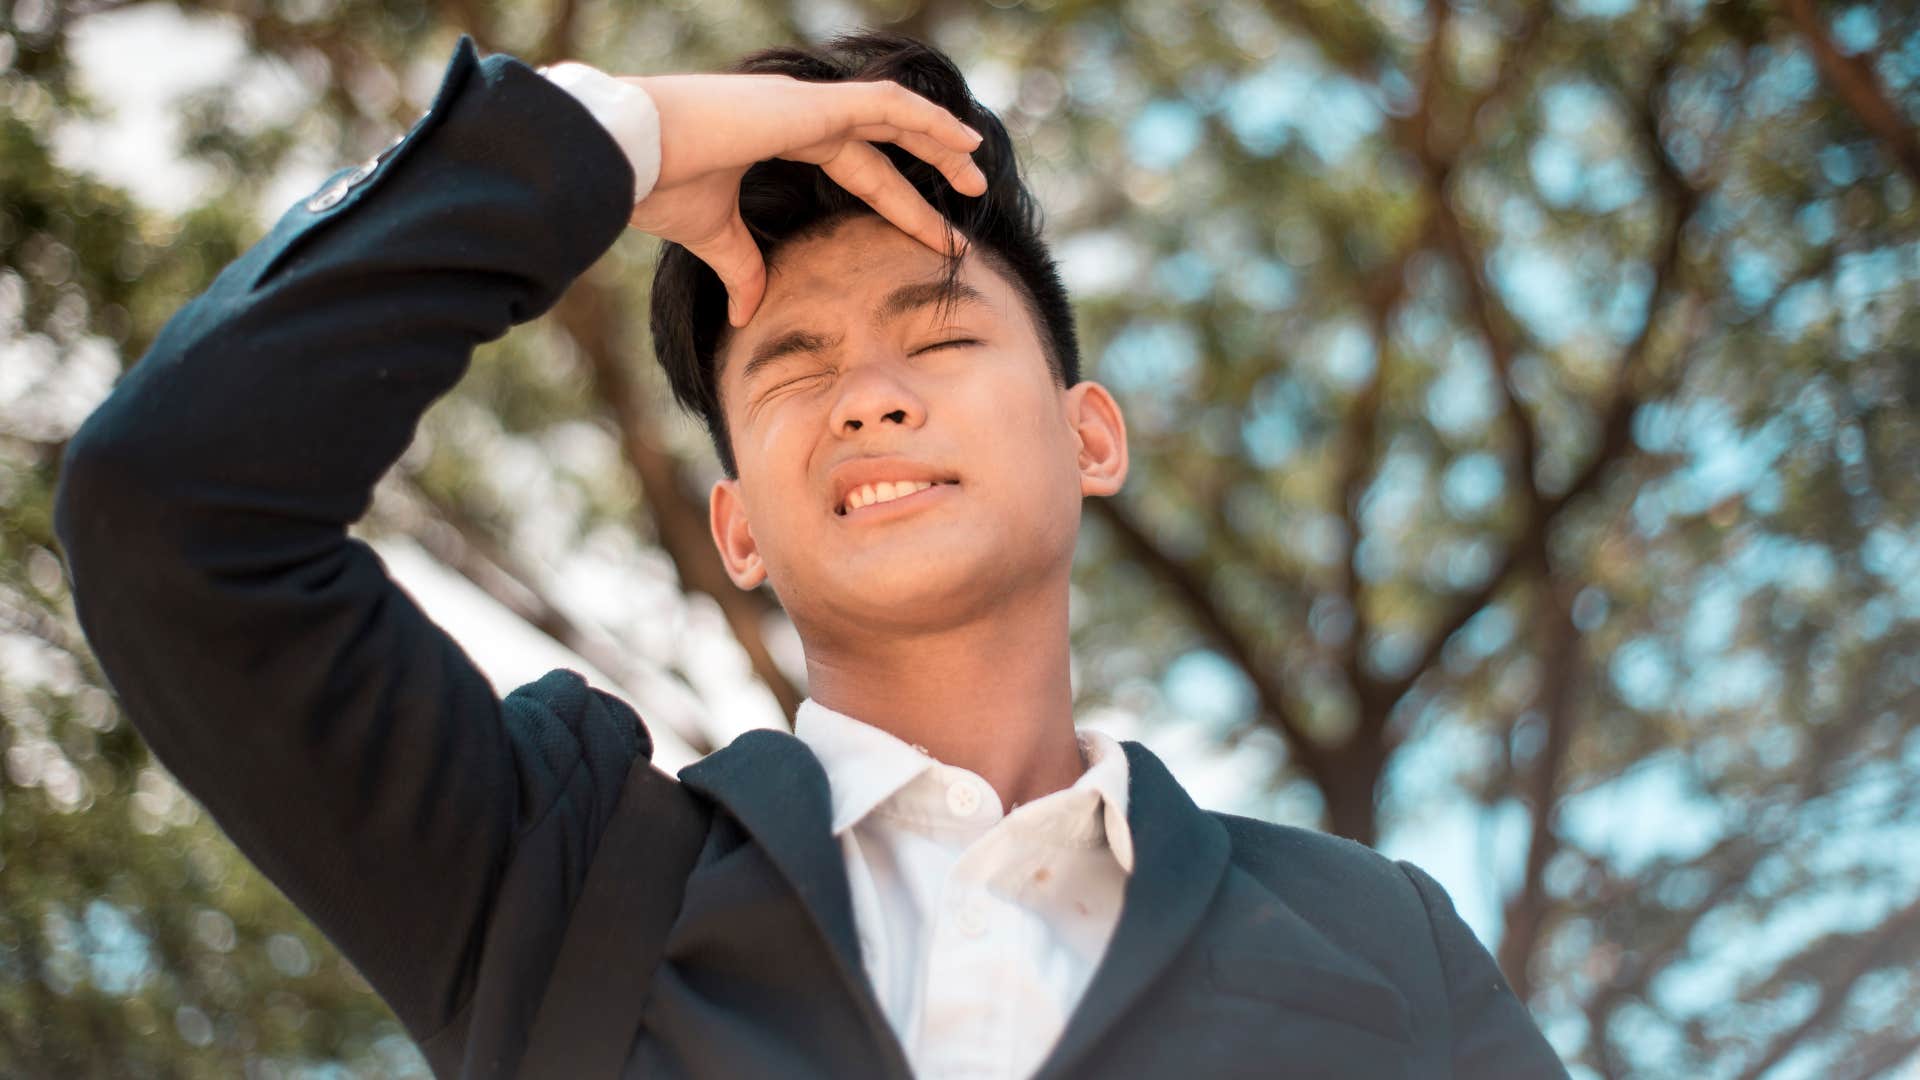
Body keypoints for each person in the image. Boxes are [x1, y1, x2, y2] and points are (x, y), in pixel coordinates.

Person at [55, 27, 1568, 1080]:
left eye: (942, 329)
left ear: (1093, 437)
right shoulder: (551, 874)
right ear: (738, 529)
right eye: (792, 367)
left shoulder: (1378, 936)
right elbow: (166, 506)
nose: (872, 393)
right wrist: (603, 134)